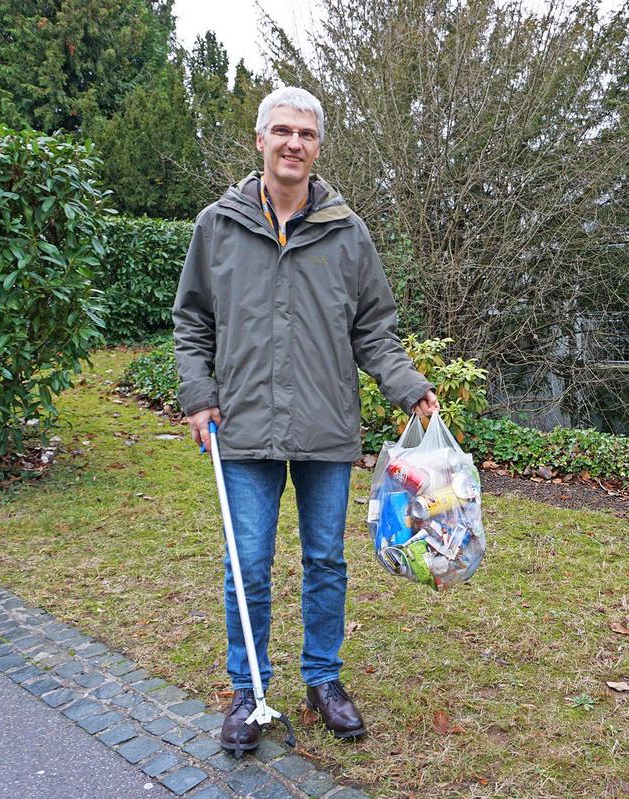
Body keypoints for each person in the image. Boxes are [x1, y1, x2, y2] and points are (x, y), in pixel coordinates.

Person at [172, 86, 439, 752]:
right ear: (259, 141)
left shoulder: (347, 232)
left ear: (318, 148)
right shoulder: (218, 225)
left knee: (325, 561)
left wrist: (409, 387)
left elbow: (375, 325)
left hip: (325, 426)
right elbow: (192, 320)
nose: (294, 143)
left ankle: (323, 681)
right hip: (244, 429)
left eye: (307, 134)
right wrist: (198, 394)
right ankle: (249, 691)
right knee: (249, 565)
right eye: (282, 131)